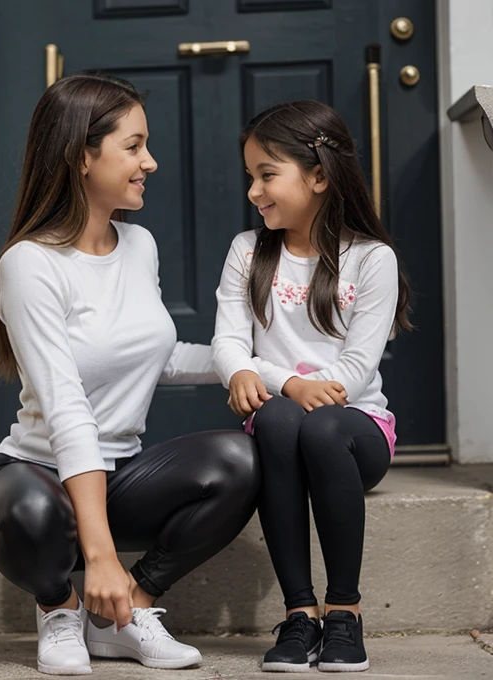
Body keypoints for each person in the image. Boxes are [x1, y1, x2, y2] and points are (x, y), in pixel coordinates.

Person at [0, 72, 260, 677]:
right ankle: (60, 608)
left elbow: (161, 355)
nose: (149, 162)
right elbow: (66, 405)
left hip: (120, 473)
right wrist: (99, 556)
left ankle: (124, 614)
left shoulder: (139, 245)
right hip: (36, 471)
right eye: (133, 147)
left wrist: (268, 370)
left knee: (242, 459)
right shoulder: (29, 266)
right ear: (82, 155)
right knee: (32, 513)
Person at [212, 100, 412, 673]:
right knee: (276, 418)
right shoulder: (247, 253)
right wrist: (271, 382)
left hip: (355, 433)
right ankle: (300, 615)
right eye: (251, 176)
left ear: (319, 175)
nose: (254, 190)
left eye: (267, 175)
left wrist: (294, 386)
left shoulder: (372, 259)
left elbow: (357, 367)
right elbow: (228, 345)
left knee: (322, 427)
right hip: (281, 429)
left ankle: (343, 612)